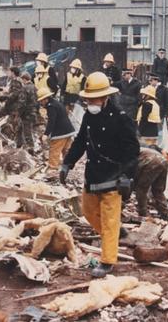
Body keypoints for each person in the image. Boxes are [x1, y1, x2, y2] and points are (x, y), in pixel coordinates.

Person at [60, 72, 140, 277]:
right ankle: (114, 234)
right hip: (93, 175)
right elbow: (79, 142)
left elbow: (132, 151)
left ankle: (107, 261)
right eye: (87, 99)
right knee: (88, 212)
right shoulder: (88, 116)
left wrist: (127, 176)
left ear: (105, 97)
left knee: (110, 220)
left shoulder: (122, 119)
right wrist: (67, 163)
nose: (90, 102)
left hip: (114, 177)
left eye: (94, 99)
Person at [0, 68, 37, 150]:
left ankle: (30, 148)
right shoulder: (34, 87)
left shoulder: (25, 89)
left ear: (24, 79)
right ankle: (19, 145)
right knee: (19, 128)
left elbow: (22, 102)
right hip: (32, 112)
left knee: (26, 130)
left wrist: (18, 113)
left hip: (26, 113)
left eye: (22, 79)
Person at [37, 87, 76, 176]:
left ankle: (52, 168)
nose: (41, 103)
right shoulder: (56, 103)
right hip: (69, 130)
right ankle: (68, 166)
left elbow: (52, 121)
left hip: (60, 132)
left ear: (45, 99)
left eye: (41, 101)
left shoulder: (51, 107)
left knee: (55, 149)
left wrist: (46, 134)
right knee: (66, 150)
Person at [134, 146, 168, 218]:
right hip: (163, 161)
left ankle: (143, 214)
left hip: (152, 162)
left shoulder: (128, 152)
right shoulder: (140, 149)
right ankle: (165, 214)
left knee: (141, 188)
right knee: (158, 190)